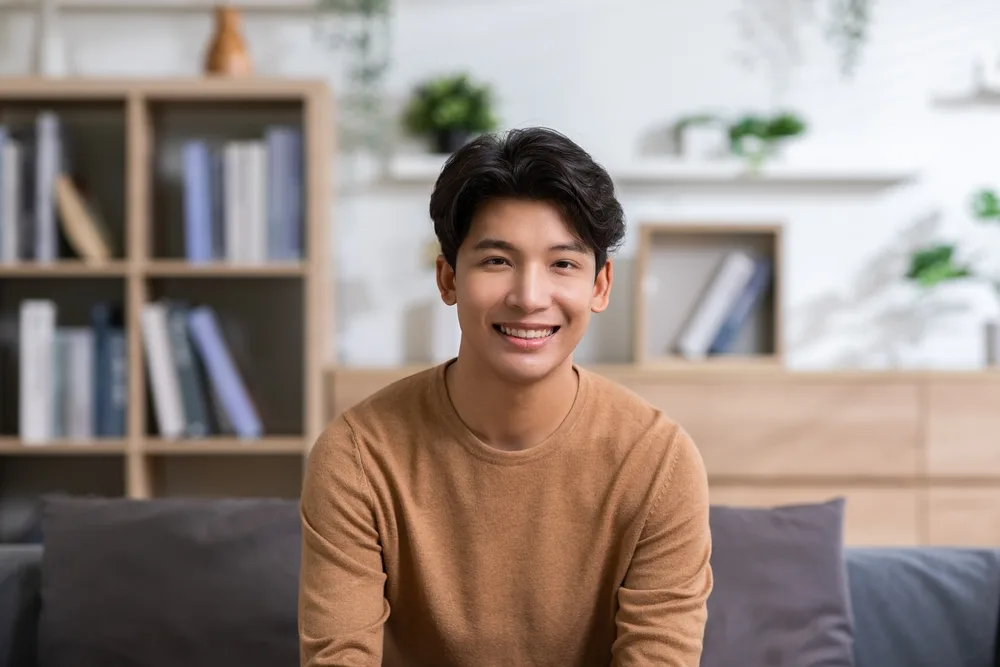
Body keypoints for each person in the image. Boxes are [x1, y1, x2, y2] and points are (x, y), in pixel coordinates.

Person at [298, 127, 713, 666]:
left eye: (563, 264)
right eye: (497, 261)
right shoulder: (357, 457)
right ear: (447, 278)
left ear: (600, 286)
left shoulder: (659, 463)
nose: (529, 297)